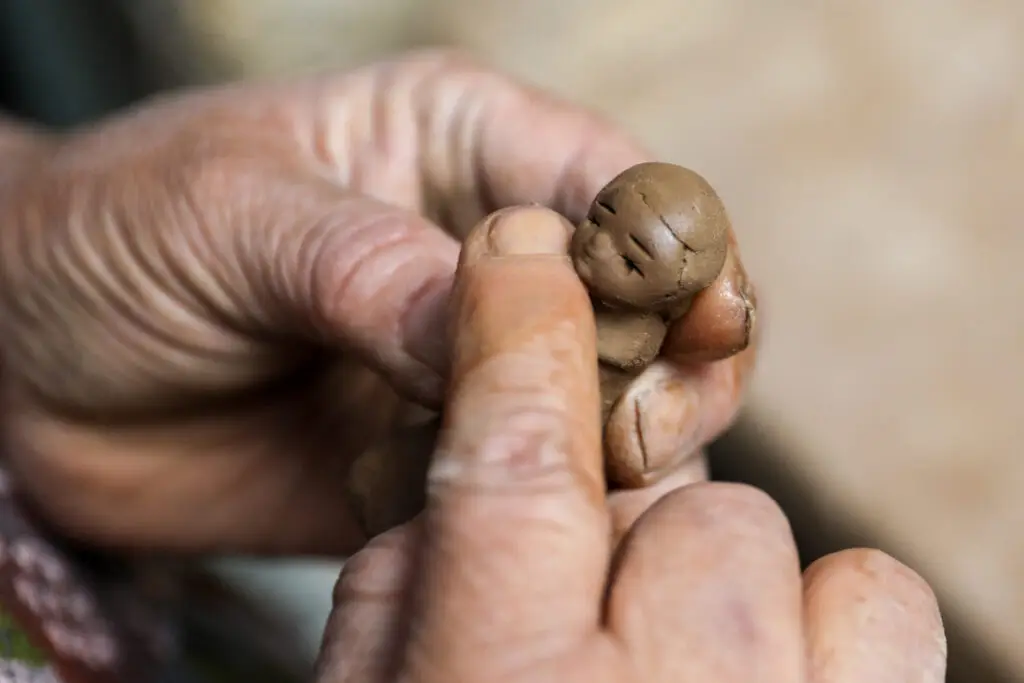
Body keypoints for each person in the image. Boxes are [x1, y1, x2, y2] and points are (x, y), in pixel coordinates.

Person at [0, 50, 945, 682]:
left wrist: (22, 216)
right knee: (409, 480)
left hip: (152, 540)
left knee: (446, 503)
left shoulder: (634, 336)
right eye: (606, 221)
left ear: (671, 289)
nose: (603, 249)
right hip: (445, 466)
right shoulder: (537, 276)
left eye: (636, 256)